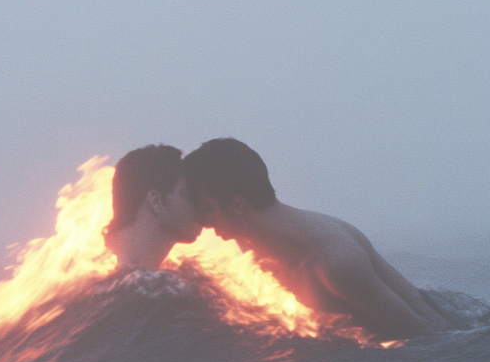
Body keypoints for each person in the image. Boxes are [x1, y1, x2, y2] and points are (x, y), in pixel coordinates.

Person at [182, 138, 453, 339]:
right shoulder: (252, 241)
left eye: (207, 209)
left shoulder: (334, 262)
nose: (203, 221)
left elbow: (430, 339)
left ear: (237, 206)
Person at [105, 144, 202, 271]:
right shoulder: (139, 286)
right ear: (156, 201)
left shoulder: (91, 278)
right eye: (191, 196)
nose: (203, 210)